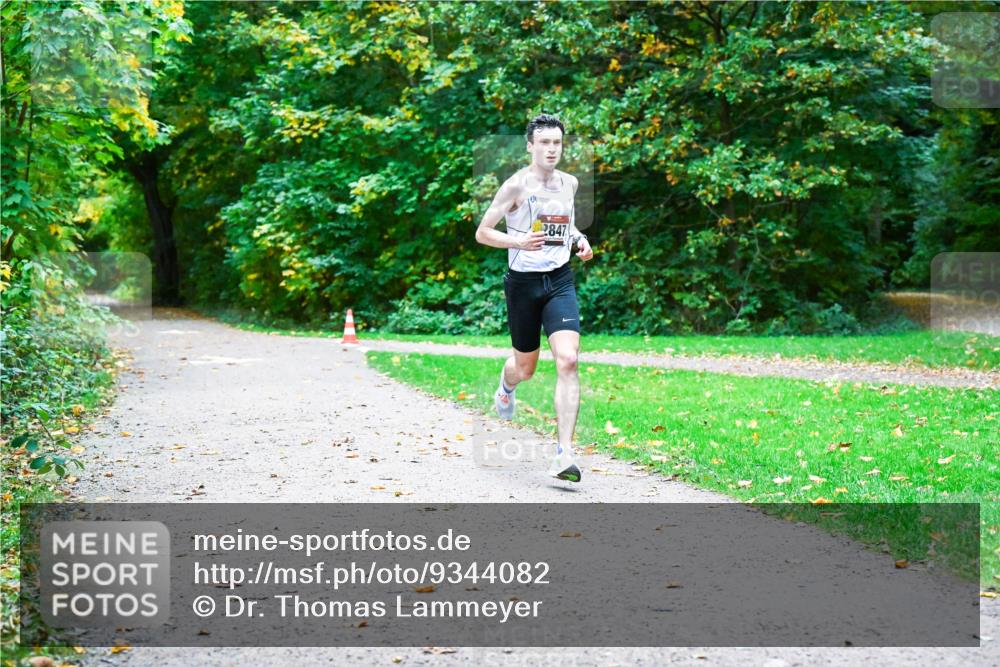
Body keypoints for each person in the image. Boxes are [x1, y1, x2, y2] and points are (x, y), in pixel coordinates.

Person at [474, 113, 594, 482]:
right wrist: (518, 241)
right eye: (544, 142)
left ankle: (564, 454)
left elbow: (565, 221)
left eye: (557, 142)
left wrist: (578, 239)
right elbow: (483, 232)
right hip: (523, 285)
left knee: (569, 360)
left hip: (559, 280)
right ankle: (507, 386)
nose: (551, 149)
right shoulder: (514, 186)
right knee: (525, 368)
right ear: (530, 146)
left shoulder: (570, 183)